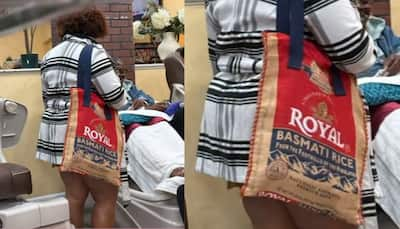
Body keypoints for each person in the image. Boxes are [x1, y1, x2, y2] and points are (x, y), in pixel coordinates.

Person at [195, 0, 376, 229]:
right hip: (294, 118)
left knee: (269, 222)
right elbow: (357, 57)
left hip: (236, 114)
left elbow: (218, 55)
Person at [36, 8, 128, 228]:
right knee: (105, 199)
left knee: (74, 197)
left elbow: (46, 97)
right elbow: (117, 98)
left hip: (56, 134)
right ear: (96, 27)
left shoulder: (50, 55)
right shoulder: (93, 53)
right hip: (87, 134)